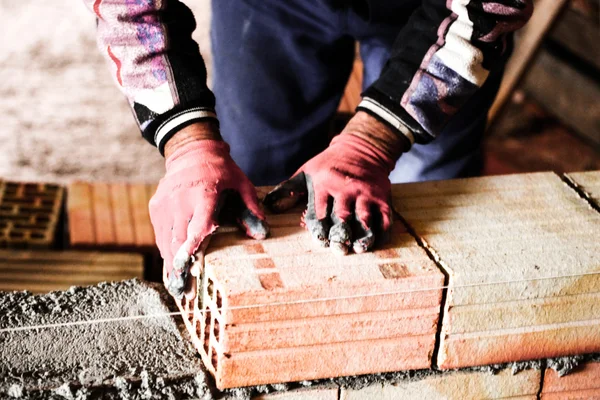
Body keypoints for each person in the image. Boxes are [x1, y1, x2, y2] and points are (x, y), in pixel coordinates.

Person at [83, 0, 533, 298]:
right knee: (257, 180)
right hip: (270, 6)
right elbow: (129, 8)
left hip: (438, 6)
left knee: (430, 194)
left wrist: (372, 144)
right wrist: (187, 142)